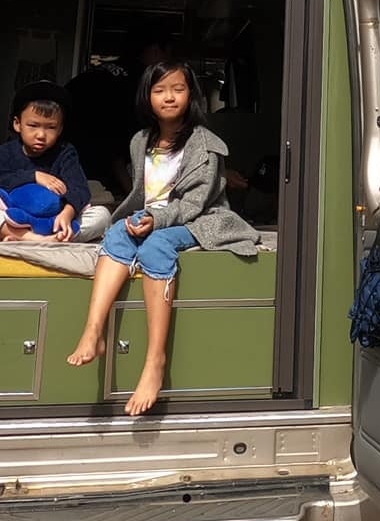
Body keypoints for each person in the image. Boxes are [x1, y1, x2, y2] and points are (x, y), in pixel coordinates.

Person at [66, 60, 262, 415]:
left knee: (157, 245)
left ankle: (155, 361)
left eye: (178, 89)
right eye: (160, 90)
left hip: (198, 219)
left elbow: (195, 203)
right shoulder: (140, 141)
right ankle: (94, 331)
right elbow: (141, 193)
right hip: (152, 217)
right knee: (115, 235)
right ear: (147, 96)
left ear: (191, 95)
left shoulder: (207, 144)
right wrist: (137, 218)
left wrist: (155, 221)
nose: (169, 97)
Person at [0, 82, 107, 245]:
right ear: (17, 124)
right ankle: (29, 237)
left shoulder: (65, 152)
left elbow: (80, 188)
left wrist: (67, 213)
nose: (41, 135)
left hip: (55, 221)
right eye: (33, 125)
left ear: (60, 129)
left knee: (102, 215)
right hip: (14, 218)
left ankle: (57, 236)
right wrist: (33, 176)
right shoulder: (3, 154)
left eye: (51, 127)